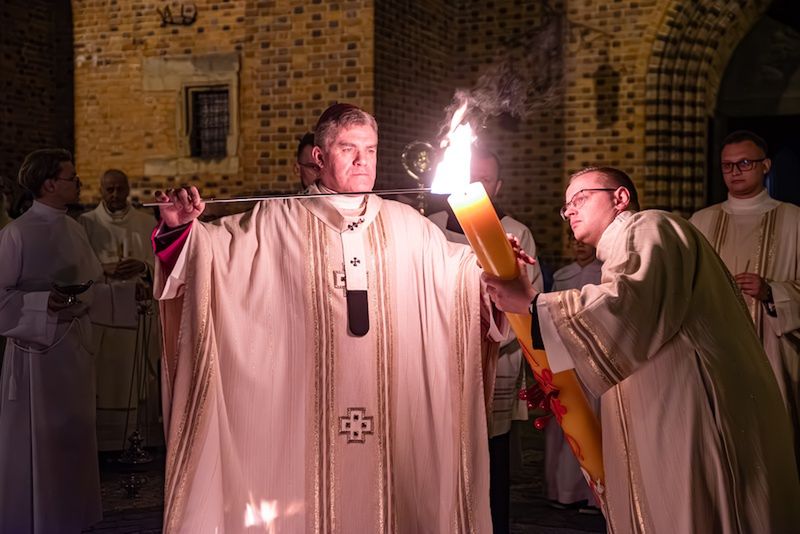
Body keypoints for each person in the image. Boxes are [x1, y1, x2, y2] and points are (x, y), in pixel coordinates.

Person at [151, 104, 504, 532]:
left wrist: (495, 275)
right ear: (318, 158)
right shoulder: (272, 222)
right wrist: (178, 229)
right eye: (348, 149)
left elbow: (463, 280)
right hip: (298, 420)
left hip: (392, 415)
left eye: (370, 150)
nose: (362, 161)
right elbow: (207, 263)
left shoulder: (409, 226)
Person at [482, 166, 800, 532]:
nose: (569, 211)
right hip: (663, 404)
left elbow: (628, 304)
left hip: (689, 408)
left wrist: (534, 305)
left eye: (580, 198)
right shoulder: (623, 249)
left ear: (620, 198)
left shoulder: (652, 226)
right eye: (565, 206)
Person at [0, 149, 139, 533]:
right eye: (70, 177)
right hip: (37, 358)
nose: (77, 183)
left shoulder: (74, 228)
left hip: (75, 351)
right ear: (48, 184)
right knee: (43, 444)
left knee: (74, 439)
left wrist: (130, 296)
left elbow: (91, 288)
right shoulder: (15, 235)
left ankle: (71, 518)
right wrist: (45, 302)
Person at [429, 146, 542, 533]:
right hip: (439, 360)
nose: (476, 185)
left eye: (485, 180)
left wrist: (490, 336)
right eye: (469, 177)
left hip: (495, 358)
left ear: (498, 185)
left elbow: (528, 301)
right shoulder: (429, 226)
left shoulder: (515, 231)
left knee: (491, 460)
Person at [690, 130, 800, 468]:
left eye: (745, 163)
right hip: (716, 348)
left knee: (774, 437)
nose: (735, 172)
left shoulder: (794, 219)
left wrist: (773, 292)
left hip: (774, 346)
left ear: (765, 166)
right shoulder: (701, 222)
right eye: (727, 166)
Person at [79, 169, 161, 451]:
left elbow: (159, 266)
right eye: (109, 189)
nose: (114, 195)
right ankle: (103, 444)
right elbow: (79, 269)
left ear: (128, 189)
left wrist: (144, 268)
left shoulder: (146, 222)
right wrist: (103, 269)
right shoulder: (86, 224)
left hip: (135, 315)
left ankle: (136, 441)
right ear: (101, 190)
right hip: (101, 316)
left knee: (132, 374)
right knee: (104, 377)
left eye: (119, 189)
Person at [545, 232, 601, 512]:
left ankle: (594, 494)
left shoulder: (604, 273)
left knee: (594, 422)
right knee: (566, 424)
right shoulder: (563, 275)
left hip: (594, 355)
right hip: (565, 357)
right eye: (574, 242)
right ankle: (564, 490)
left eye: (584, 242)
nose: (579, 247)